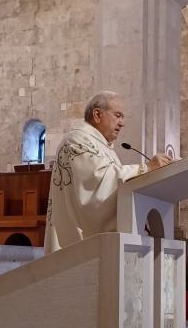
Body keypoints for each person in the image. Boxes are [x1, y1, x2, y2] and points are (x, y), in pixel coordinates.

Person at [44, 91, 172, 253]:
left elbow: (113, 180)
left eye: (123, 117)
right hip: (76, 246)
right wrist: (145, 168)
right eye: (118, 115)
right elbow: (98, 183)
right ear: (97, 114)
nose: (122, 123)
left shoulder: (103, 146)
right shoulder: (76, 140)